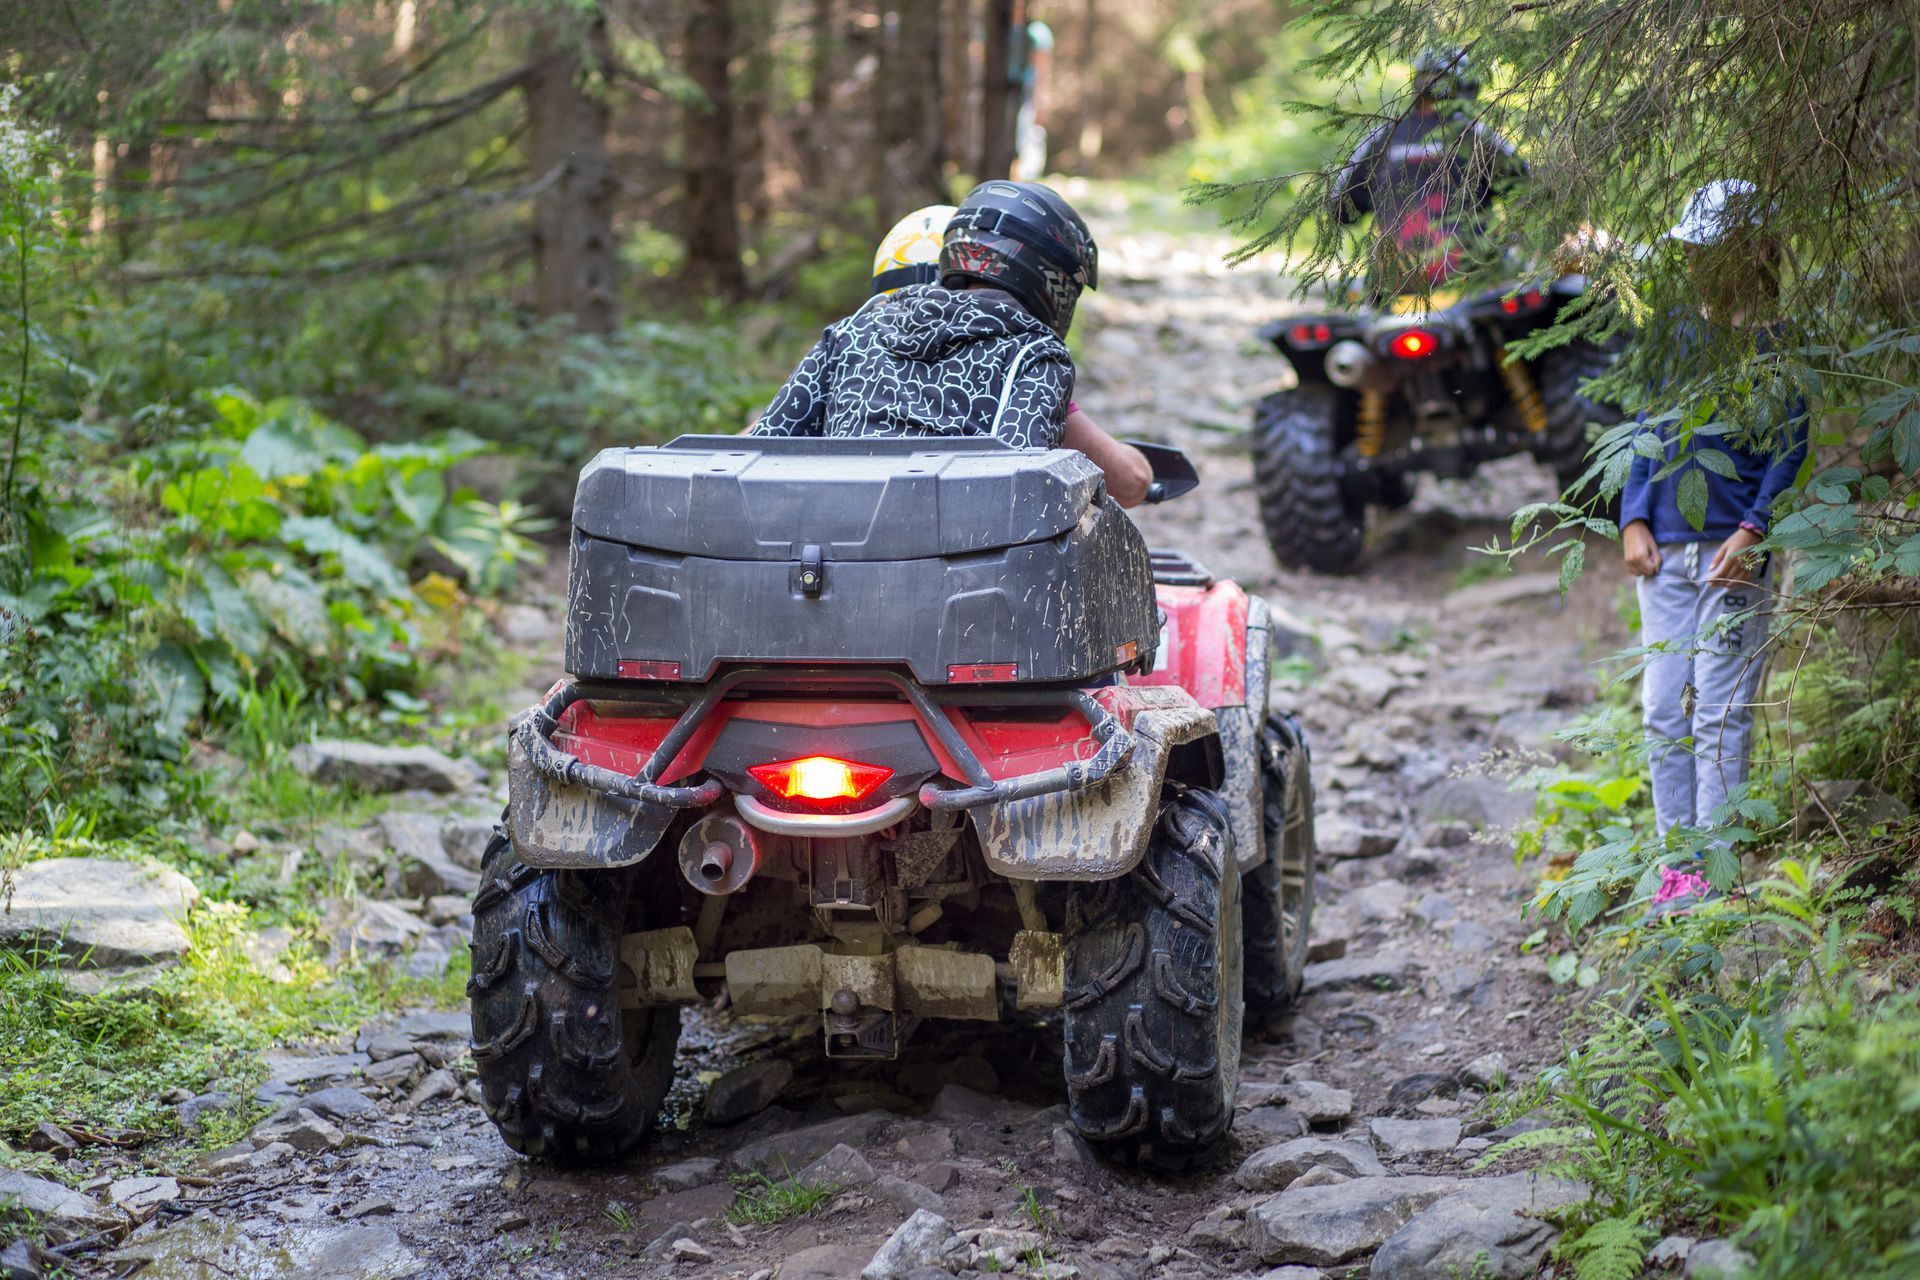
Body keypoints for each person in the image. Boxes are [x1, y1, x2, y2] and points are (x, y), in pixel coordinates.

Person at [1620, 178, 1808, 916]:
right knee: (1664, 707)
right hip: (1665, 553)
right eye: (1695, 250)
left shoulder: (1777, 342)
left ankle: (1716, 871)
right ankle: (1680, 866)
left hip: (1736, 551)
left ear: (1754, 253)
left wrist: (1755, 528)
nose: (1703, 263)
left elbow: (1792, 449)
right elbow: (1643, 429)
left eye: (1718, 250)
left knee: (1720, 712)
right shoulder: (1671, 332)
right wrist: (1632, 517)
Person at [756, 182, 1152, 507]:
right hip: (953, 581)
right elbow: (1022, 493)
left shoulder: (849, 333)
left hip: (822, 565)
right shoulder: (1032, 354)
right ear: (1051, 278)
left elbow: (760, 449)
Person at [1330, 45, 1525, 294]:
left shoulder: (1382, 140)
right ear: (1466, 88)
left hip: (1394, 284)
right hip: (1474, 282)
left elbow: (1341, 210)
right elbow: (1529, 191)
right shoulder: (1478, 138)